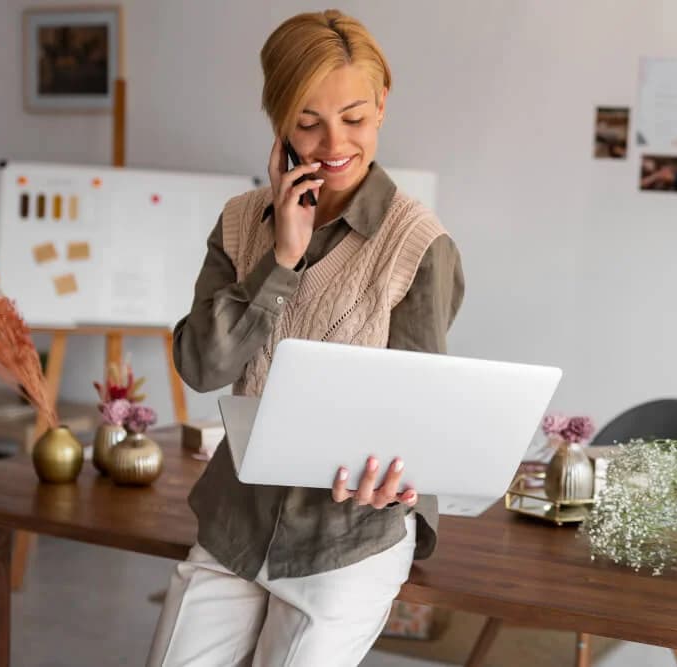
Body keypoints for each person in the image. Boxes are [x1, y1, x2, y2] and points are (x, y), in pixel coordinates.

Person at [146, 9, 464, 666]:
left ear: (382, 104)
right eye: (308, 121)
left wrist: (395, 474)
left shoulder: (418, 245)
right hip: (236, 521)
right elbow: (202, 367)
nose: (333, 143)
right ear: (279, 120)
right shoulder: (241, 223)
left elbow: (414, 410)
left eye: (354, 117)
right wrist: (281, 259)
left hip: (347, 534)